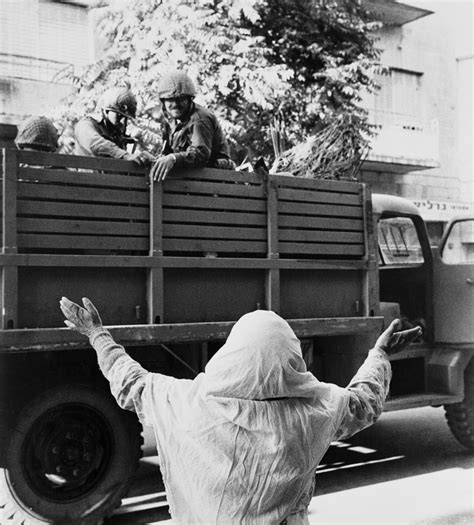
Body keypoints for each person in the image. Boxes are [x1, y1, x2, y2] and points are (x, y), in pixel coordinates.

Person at [60, 296, 421, 524]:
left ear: (232, 352)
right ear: (292, 358)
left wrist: (97, 334)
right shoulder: (315, 413)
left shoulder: (186, 404)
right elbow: (364, 402)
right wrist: (380, 354)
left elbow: (131, 382)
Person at [150, 70, 236, 182]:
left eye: (180, 99)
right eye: (170, 99)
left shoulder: (199, 119)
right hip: (190, 175)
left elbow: (200, 155)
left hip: (215, 175)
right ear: (163, 102)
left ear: (190, 99)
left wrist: (173, 158)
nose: (175, 104)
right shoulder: (170, 120)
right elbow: (167, 153)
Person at [74, 86, 154, 166]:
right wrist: (124, 155)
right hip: (88, 177)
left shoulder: (116, 133)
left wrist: (142, 158)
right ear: (106, 111)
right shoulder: (86, 124)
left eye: (126, 118)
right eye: (119, 115)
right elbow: (95, 144)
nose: (123, 121)